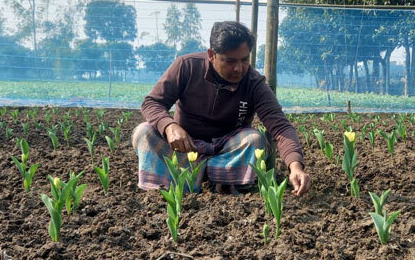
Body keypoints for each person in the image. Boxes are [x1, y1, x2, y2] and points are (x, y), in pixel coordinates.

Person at [132, 21, 310, 196]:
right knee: (144, 132)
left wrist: (295, 166)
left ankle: (209, 180)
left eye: (244, 60)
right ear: (211, 55)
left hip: (227, 151)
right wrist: (169, 126)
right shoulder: (187, 66)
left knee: (254, 139)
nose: (238, 68)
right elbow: (152, 103)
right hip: (186, 148)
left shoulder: (253, 83)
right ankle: (192, 181)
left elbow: (280, 126)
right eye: (230, 61)